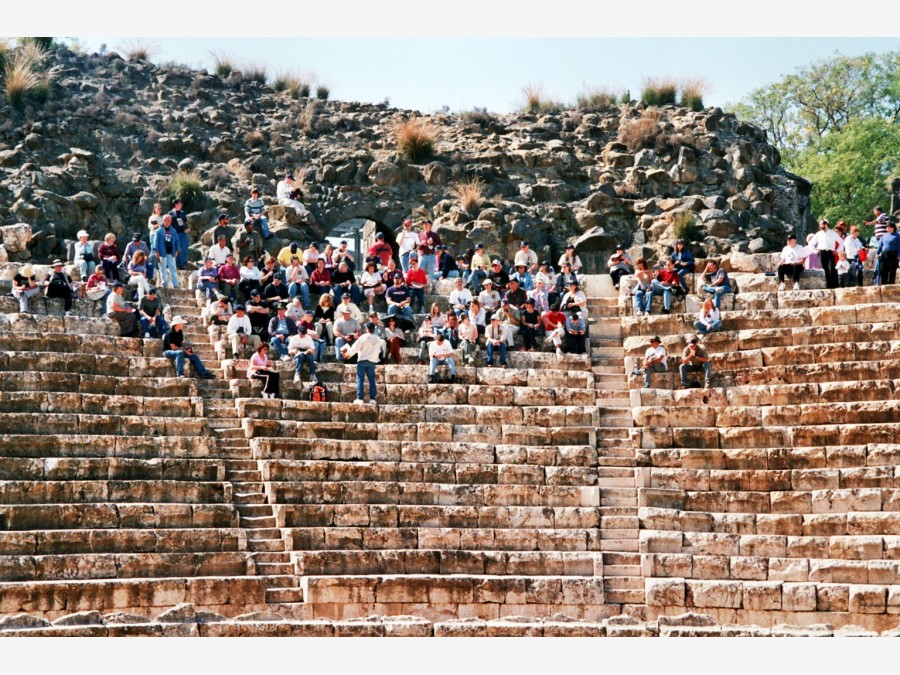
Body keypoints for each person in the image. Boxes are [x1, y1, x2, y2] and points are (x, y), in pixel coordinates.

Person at [341, 322, 385, 404]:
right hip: (372, 362)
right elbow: (379, 351)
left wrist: (347, 354)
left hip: (362, 360)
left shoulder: (363, 337)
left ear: (367, 329)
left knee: (360, 379)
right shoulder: (378, 339)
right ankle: (372, 399)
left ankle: (360, 398)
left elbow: (355, 348)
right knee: (372, 380)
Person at [809, 218, 843, 289]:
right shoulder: (818, 234)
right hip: (822, 253)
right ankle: (829, 287)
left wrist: (837, 251)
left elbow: (841, 242)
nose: (820, 226)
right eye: (820, 224)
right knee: (825, 270)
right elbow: (811, 243)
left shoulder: (832, 233)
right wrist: (816, 251)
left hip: (830, 253)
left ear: (826, 224)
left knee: (832, 269)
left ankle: (835, 286)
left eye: (821, 224)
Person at [153, 215, 180, 289]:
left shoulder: (173, 231)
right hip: (162, 253)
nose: (168, 222)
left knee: (173, 268)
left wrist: (177, 250)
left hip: (171, 252)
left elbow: (177, 241)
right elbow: (155, 242)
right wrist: (157, 252)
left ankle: (175, 284)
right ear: (163, 221)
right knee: (162, 269)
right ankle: (164, 283)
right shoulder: (158, 231)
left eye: (170, 220)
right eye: (166, 220)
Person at [865, 206, 890, 285]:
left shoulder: (883, 215)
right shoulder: (881, 216)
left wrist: (869, 223)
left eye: (874, 211)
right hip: (879, 239)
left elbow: (876, 221)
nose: (874, 213)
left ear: (878, 211)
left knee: (880, 255)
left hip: (882, 238)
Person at [167, 200, 189, 269]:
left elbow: (185, 222)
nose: (181, 204)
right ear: (176, 204)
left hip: (183, 233)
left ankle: (183, 264)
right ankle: (176, 264)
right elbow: (168, 224)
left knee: (184, 248)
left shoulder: (182, 213)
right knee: (175, 249)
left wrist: (188, 228)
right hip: (174, 234)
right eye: (180, 203)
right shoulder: (170, 213)